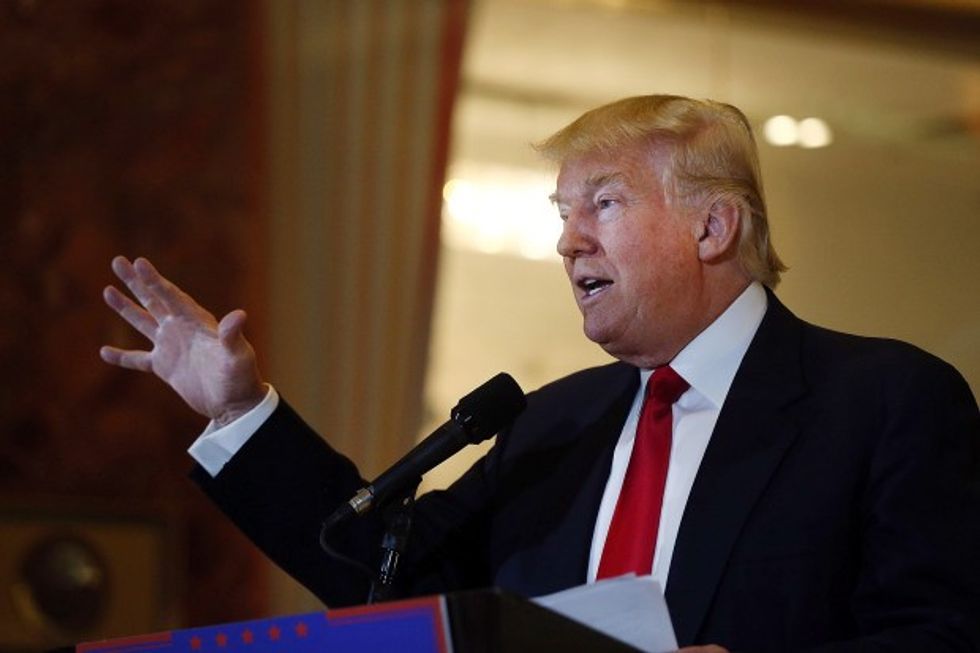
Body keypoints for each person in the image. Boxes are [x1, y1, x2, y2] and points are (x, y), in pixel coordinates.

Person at [101, 95, 980, 652]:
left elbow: (945, 633)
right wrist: (241, 408)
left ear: (713, 229)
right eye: (563, 213)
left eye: (604, 202)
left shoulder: (885, 400)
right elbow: (389, 577)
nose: (568, 241)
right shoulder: (553, 423)